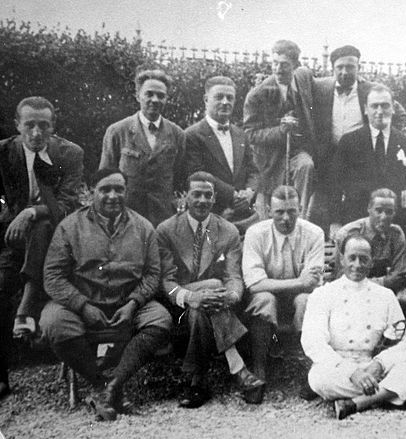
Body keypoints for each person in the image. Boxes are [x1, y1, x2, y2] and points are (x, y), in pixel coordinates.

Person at [41, 168, 172, 421]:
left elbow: (152, 274)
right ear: (90, 192)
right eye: (105, 189)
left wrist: (134, 303)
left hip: (127, 303)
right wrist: (82, 306)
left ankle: (115, 383)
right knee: (54, 323)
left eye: (119, 189)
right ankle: (100, 383)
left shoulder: (143, 227)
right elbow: (53, 276)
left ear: (126, 191)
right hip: (83, 303)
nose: (113, 196)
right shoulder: (69, 227)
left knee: (160, 319)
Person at [157, 172, 264, 407]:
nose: (202, 200)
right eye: (196, 194)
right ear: (184, 196)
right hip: (179, 307)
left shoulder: (228, 231)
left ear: (215, 199)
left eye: (208, 195)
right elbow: (166, 283)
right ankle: (239, 370)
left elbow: (234, 277)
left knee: (207, 303)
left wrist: (231, 296)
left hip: (213, 308)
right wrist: (192, 296)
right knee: (211, 289)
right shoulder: (166, 230)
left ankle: (197, 382)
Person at [0, 96, 83, 399]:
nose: (36, 133)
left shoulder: (70, 153)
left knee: (44, 224)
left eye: (44, 126)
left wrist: (31, 212)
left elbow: (68, 203)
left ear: (53, 126)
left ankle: (28, 302)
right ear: (17, 126)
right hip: (11, 238)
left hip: (55, 242)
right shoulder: (4, 152)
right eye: (29, 125)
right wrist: (12, 213)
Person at [301, 234, 406, 420]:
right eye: (352, 258)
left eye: (364, 259)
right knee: (319, 379)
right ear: (341, 259)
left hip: (374, 364)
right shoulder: (322, 294)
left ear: (371, 262)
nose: (357, 264)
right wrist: (352, 372)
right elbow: (313, 343)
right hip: (338, 366)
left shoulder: (385, 295)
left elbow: (404, 339)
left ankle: (356, 403)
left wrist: (379, 364)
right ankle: (391, 393)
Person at [242, 185, 324, 403]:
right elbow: (254, 284)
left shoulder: (314, 233)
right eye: (279, 212)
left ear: (301, 208)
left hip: (297, 299)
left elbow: (312, 283)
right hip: (267, 298)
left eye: (292, 211)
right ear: (269, 210)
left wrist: (299, 284)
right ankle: (259, 370)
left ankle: (309, 370)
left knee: (306, 300)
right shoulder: (255, 233)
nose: (286, 218)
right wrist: (298, 281)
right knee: (264, 300)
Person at [331, 85, 406, 233]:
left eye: (385, 106)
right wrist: (335, 222)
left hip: (395, 225)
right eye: (374, 106)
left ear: (393, 108)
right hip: (357, 222)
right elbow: (335, 185)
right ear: (366, 109)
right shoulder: (349, 142)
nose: (380, 111)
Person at [100, 69, 185, 227]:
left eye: (161, 96)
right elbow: (105, 177)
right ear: (138, 95)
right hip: (126, 216)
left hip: (162, 218)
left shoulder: (177, 134)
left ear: (167, 99)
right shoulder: (118, 131)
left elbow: (179, 175)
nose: (155, 99)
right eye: (149, 94)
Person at [243, 40, 316, 219]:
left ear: (296, 65)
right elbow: (250, 134)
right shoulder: (257, 95)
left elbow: (327, 85)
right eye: (274, 63)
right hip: (269, 159)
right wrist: (281, 130)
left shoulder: (303, 78)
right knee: (267, 216)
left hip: (296, 152)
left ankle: (299, 219)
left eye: (284, 65)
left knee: (306, 165)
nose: (277, 69)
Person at [310, 45, 377, 235]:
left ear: (359, 68)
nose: (345, 72)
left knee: (359, 199)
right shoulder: (321, 87)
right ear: (333, 68)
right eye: (339, 67)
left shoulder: (370, 90)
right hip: (329, 152)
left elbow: (397, 111)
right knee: (324, 203)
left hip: (360, 154)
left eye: (350, 67)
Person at [184, 76, 259, 234]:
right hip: (210, 212)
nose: (225, 102)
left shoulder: (241, 135)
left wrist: (249, 193)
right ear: (206, 99)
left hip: (243, 214)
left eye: (230, 98)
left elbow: (253, 170)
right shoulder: (192, 135)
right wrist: (232, 195)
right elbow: (197, 174)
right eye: (219, 97)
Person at [333, 188, 406, 304]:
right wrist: (383, 282)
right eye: (379, 210)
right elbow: (341, 275)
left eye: (389, 212)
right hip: (352, 295)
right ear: (369, 209)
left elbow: (399, 274)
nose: (384, 216)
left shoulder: (396, 234)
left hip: (385, 294)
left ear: (394, 213)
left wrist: (371, 284)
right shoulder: (348, 233)